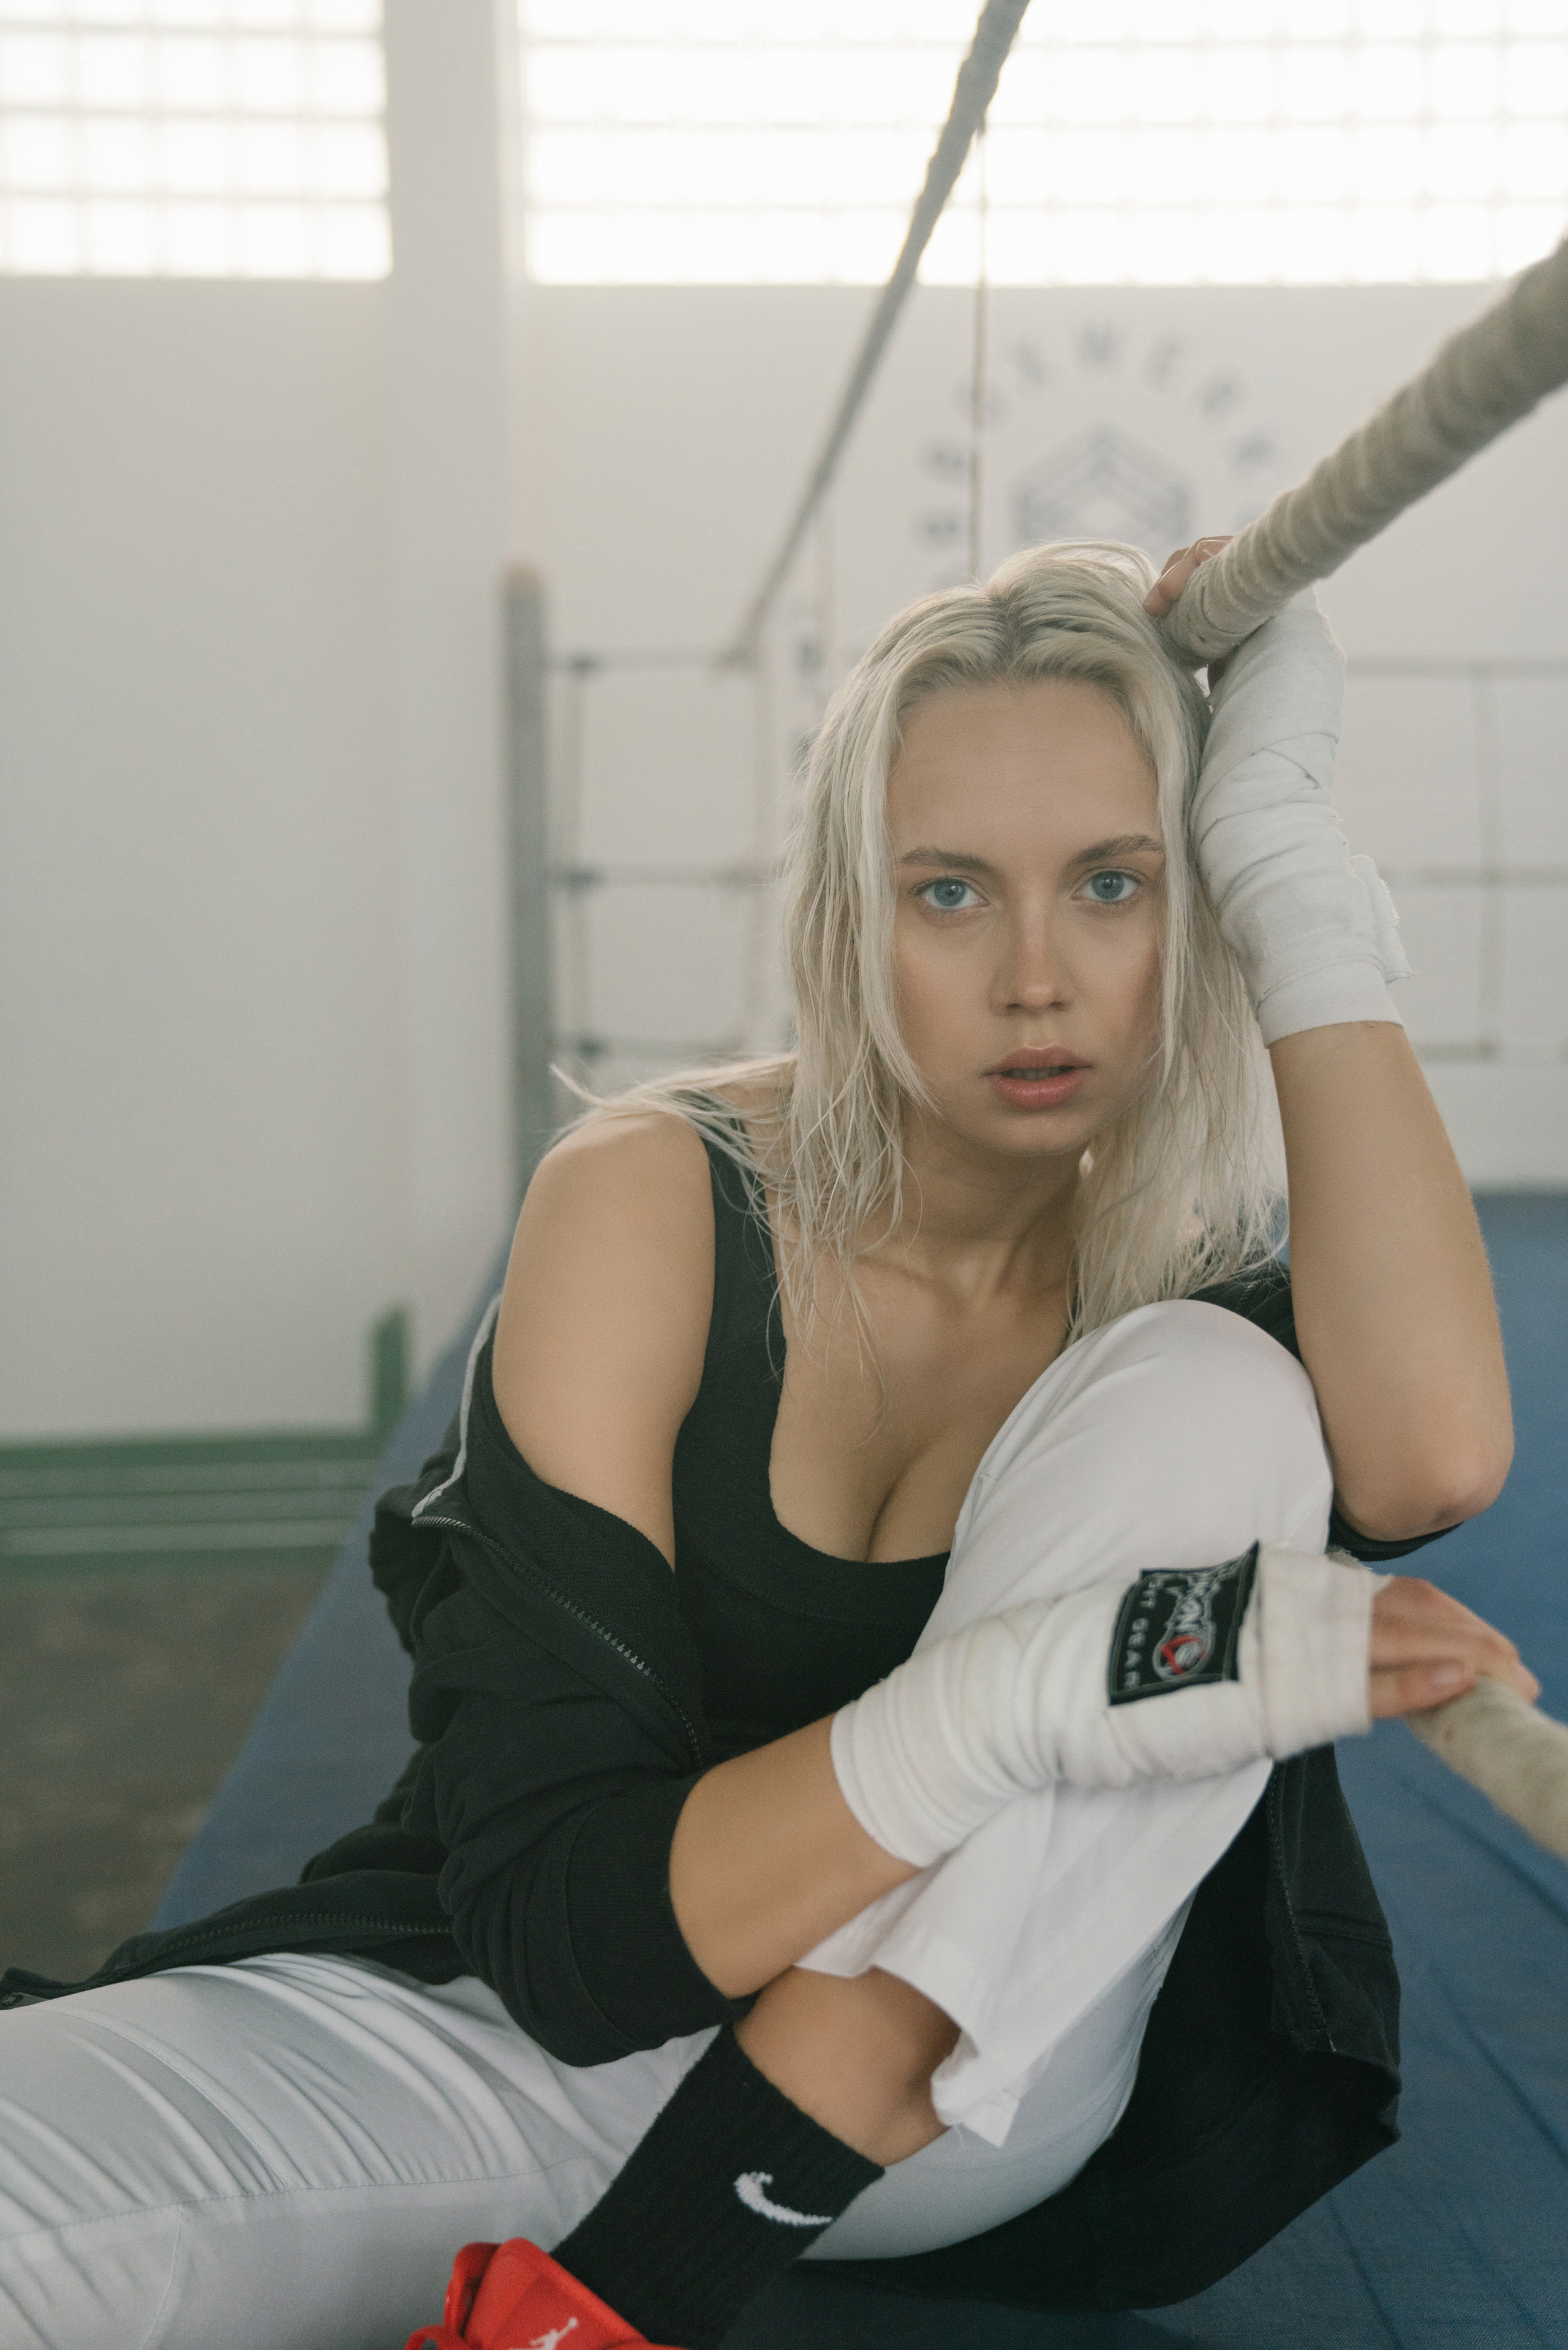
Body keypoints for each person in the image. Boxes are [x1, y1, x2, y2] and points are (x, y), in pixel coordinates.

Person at [0, 540, 1528, 2350]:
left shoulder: (1197, 1315)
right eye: (950, 894)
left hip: (982, 2077)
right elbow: (572, 1949)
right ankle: (627, 2289)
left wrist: (1283, 854)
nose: (1038, 979)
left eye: (1115, 887)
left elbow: (1433, 1459)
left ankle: (647, 2270)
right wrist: (998, 1705)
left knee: (1221, 1390)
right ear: (846, 919)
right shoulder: (658, 1202)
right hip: (526, 2022)